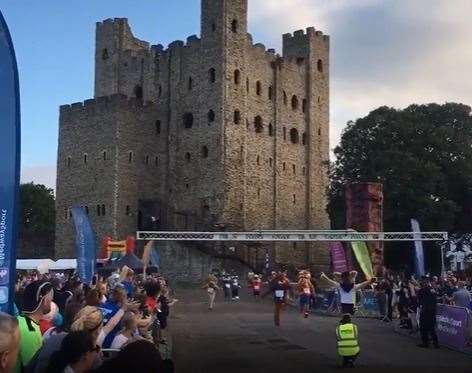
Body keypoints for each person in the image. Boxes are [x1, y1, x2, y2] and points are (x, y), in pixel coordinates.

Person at [15, 280, 53, 373]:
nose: (52, 301)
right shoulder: (30, 331)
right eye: (50, 298)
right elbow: (32, 369)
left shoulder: (20, 319)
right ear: (44, 301)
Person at [417, 279, 439, 348]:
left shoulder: (422, 290)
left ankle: (425, 342)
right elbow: (435, 299)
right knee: (432, 327)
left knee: (423, 327)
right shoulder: (433, 290)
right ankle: (436, 343)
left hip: (425, 310)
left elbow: (419, 300)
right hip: (432, 310)